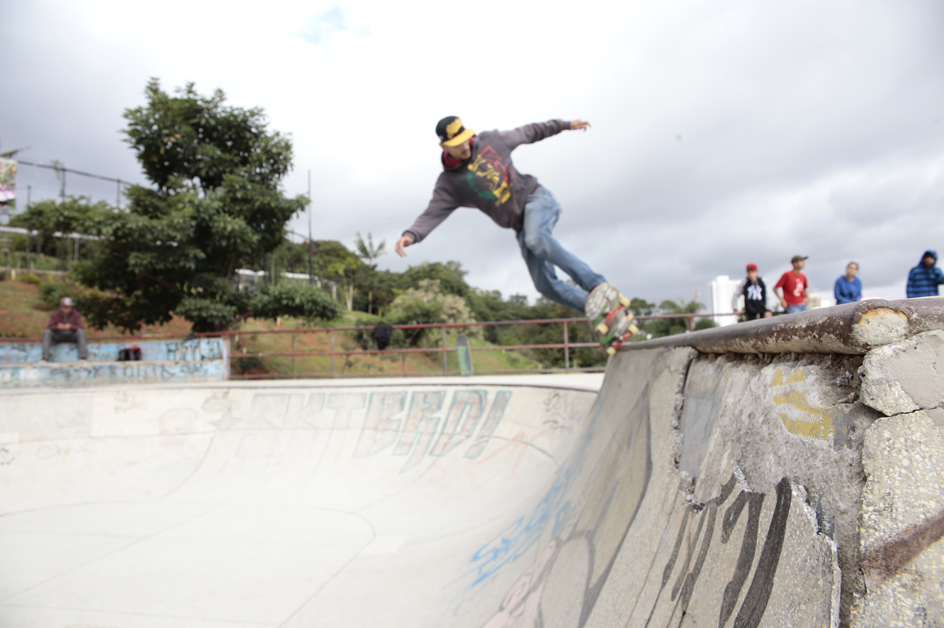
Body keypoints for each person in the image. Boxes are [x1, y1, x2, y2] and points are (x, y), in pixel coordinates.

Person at [396, 116, 611, 317]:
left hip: (536, 199)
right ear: (444, 147)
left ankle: (596, 285)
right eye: (456, 145)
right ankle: (602, 312)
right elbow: (433, 212)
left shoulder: (492, 141)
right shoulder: (450, 184)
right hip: (520, 225)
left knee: (537, 239)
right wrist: (411, 235)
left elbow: (530, 132)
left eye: (465, 140)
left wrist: (565, 125)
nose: (464, 147)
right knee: (544, 285)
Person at [42, 297, 88, 361]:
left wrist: (70, 327)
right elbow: (49, 326)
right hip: (58, 335)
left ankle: (83, 356)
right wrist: (57, 327)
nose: (66, 309)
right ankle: (45, 356)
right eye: (64, 307)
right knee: (47, 332)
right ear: (60, 307)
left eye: (68, 307)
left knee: (81, 332)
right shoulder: (55, 314)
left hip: (71, 335)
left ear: (71, 307)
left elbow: (81, 327)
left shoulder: (76, 314)